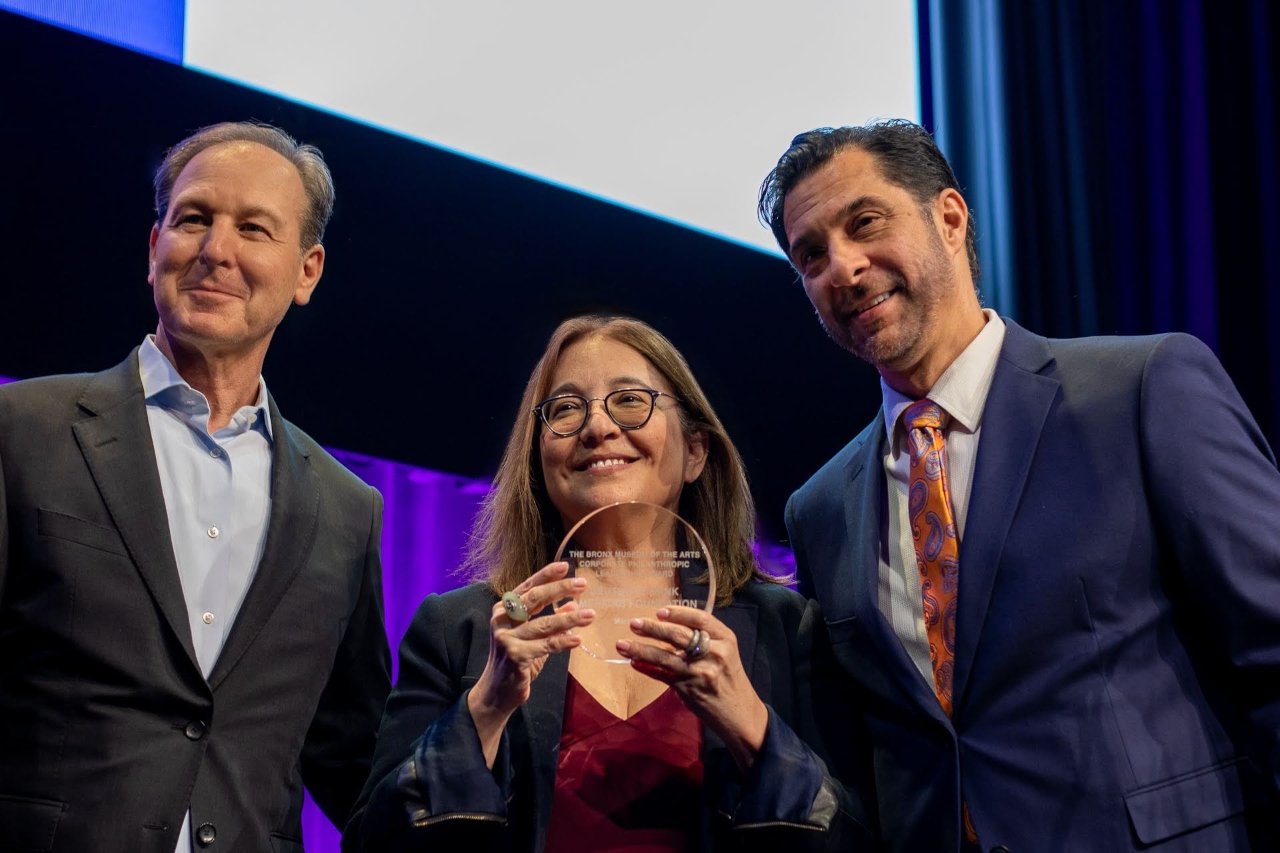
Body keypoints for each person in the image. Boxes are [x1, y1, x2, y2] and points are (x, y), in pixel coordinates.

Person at [757, 118, 1280, 851]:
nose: (841, 267)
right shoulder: (818, 510)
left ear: (949, 218)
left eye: (864, 222)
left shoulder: (1141, 389)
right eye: (811, 255)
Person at [0, 121, 391, 852]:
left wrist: (486, 721)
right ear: (154, 250)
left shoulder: (346, 509)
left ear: (308, 271)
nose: (217, 250)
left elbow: (355, 764)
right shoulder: (21, 430)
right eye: (193, 219)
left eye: (253, 228)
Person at [343, 315, 872, 852]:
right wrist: (485, 710)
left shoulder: (788, 628)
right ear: (538, 461)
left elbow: (856, 839)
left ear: (695, 452)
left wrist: (754, 729)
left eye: (629, 401)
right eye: (567, 409)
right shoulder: (461, 629)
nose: (597, 428)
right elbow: (371, 840)